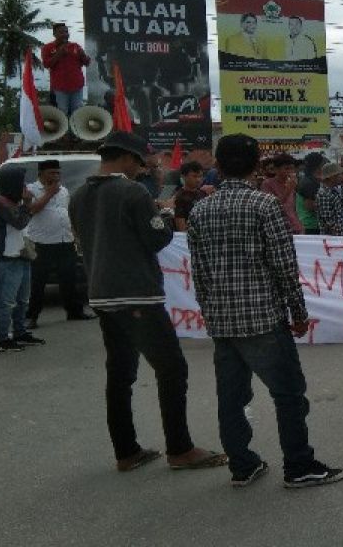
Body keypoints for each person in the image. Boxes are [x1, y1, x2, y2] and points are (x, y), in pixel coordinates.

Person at [186, 134, 343, 489]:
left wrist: (210, 313)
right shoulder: (263, 205)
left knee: (231, 399)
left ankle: (242, 465)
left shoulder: (200, 209)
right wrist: (298, 313)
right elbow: (284, 265)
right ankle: (299, 466)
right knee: (288, 395)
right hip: (263, 319)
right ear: (258, 164)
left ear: (218, 166)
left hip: (223, 322)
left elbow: (199, 271)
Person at [68, 131, 226, 473]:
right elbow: (156, 238)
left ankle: (126, 451)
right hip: (136, 292)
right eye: (141, 164)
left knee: (120, 373)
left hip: (101, 293)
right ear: (127, 158)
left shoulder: (78, 195)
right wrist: (165, 219)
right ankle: (180, 448)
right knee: (171, 368)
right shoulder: (131, 191)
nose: (143, 170)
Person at [25, 159, 92, 329]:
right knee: (38, 282)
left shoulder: (63, 190)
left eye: (57, 173)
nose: (56, 176)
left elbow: (67, 213)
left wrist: (75, 235)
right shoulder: (31, 189)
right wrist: (48, 193)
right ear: (41, 174)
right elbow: (31, 210)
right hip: (42, 242)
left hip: (65, 240)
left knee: (69, 278)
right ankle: (31, 316)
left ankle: (74, 311)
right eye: (51, 173)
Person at [0, 167, 45, 352]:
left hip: (21, 255)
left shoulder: (14, 201)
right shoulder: (0, 202)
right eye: (21, 182)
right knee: (6, 301)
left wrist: (24, 203)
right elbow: (19, 222)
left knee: (22, 299)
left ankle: (20, 332)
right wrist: (27, 203)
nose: (25, 186)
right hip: (6, 258)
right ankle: (2, 339)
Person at [40, 22, 92, 117]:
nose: (65, 34)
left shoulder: (75, 46)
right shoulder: (47, 48)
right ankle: (63, 132)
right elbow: (47, 64)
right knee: (62, 112)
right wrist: (59, 53)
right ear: (54, 34)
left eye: (66, 32)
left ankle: (74, 132)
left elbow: (87, 63)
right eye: (61, 32)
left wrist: (83, 56)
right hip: (60, 87)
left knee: (77, 111)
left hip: (77, 86)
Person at [259, 153, 304, 233]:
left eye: (292, 168)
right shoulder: (267, 184)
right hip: (278, 228)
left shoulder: (291, 183)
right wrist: (288, 190)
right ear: (276, 169)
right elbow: (272, 206)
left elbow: (293, 208)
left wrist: (300, 225)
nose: (290, 172)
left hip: (294, 226)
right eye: (286, 168)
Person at [172, 161, 208, 232]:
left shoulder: (203, 194)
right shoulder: (180, 197)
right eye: (194, 176)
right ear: (183, 176)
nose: (198, 180)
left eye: (200, 176)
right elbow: (181, 227)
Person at [296, 152, 325, 234]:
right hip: (310, 224)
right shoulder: (309, 183)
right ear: (319, 165)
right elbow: (309, 205)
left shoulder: (308, 179)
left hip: (310, 223)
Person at [315, 163, 343, 236]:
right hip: (332, 238)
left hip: (338, 235)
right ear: (332, 177)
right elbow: (328, 221)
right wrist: (338, 236)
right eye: (339, 175)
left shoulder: (334, 190)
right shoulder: (324, 194)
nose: (342, 177)